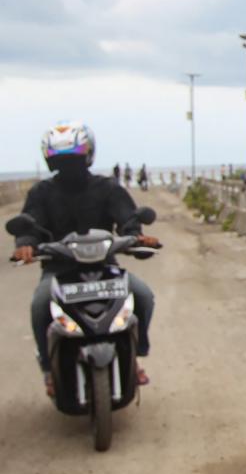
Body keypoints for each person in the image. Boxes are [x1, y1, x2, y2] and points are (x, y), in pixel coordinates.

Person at [12, 122, 158, 395]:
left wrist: (136, 236)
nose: (69, 167)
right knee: (40, 305)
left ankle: (135, 356)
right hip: (58, 269)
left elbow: (127, 218)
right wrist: (26, 245)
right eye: (62, 161)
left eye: (74, 160)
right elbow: (30, 226)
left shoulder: (107, 188)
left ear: (88, 157)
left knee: (143, 295)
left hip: (105, 267)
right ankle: (49, 369)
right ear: (51, 161)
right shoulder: (41, 193)